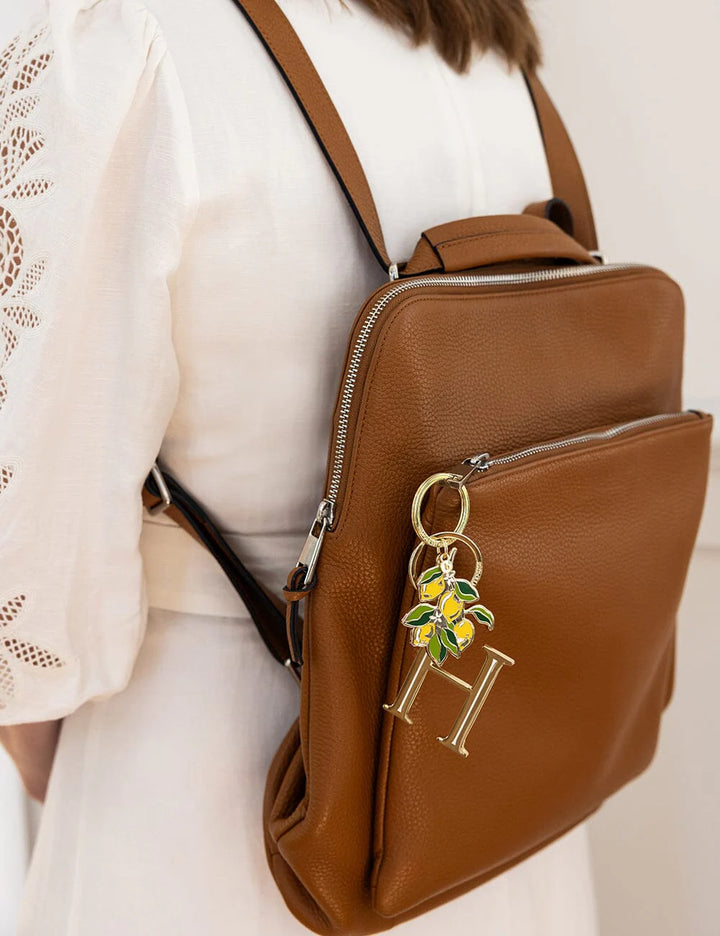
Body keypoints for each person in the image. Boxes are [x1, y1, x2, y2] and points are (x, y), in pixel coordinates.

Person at [0, 0, 599, 932]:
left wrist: (57, 764)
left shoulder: (129, 39)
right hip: (493, 781)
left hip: (209, 797)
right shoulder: (495, 53)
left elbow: (33, 570)